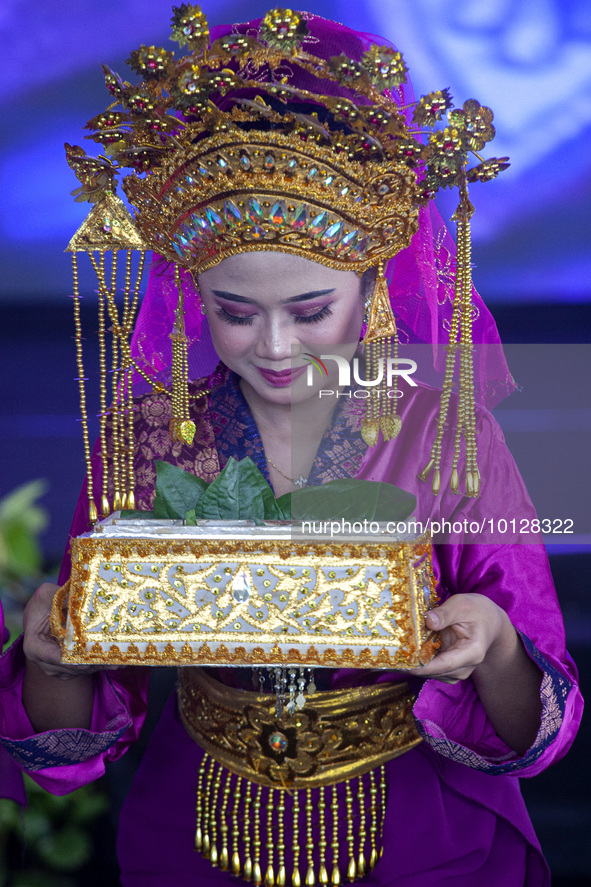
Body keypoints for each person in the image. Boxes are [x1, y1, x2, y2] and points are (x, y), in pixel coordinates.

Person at [0, 8, 582, 886]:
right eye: (235, 311)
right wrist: (49, 653)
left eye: (310, 311)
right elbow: (85, 719)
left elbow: (526, 728)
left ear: (374, 285)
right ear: (193, 293)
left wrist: (494, 643)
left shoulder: (445, 436)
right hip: (191, 826)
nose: (273, 346)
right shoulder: (149, 436)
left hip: (423, 833)